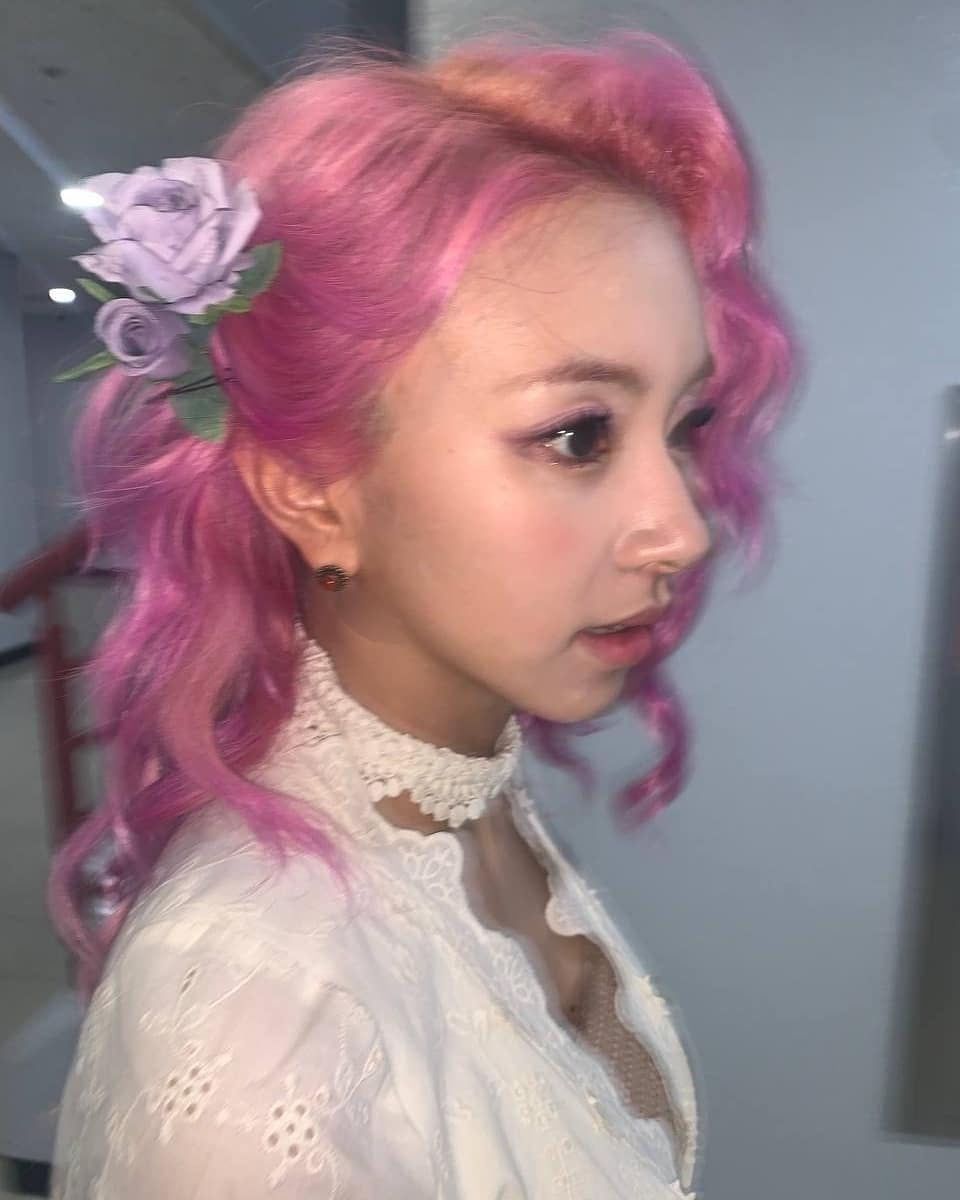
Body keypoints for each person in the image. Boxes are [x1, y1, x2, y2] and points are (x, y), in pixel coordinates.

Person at [48, 31, 790, 1199]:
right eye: (579, 434)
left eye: (685, 424)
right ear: (310, 492)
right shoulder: (261, 1044)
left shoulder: (451, 792)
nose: (682, 531)